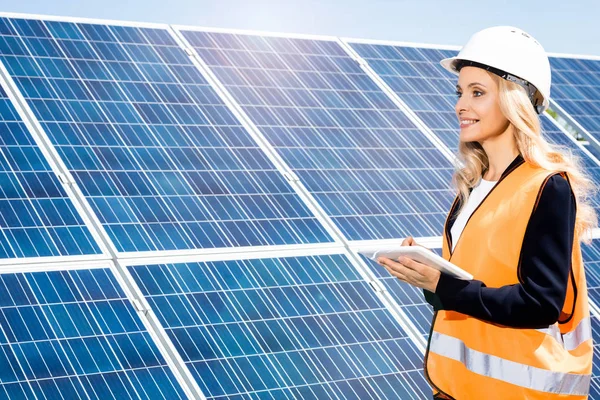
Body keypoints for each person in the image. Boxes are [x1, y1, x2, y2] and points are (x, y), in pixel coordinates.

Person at [377, 26, 596, 399]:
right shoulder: (471, 186)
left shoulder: (547, 186)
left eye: (477, 92)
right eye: (460, 92)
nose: (461, 104)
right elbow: (473, 287)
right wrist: (427, 276)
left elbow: (540, 304)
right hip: (452, 388)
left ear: (516, 100)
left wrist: (443, 285)